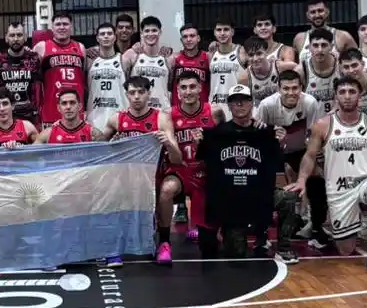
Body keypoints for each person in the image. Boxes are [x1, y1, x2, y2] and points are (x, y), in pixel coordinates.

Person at [287, 76, 367, 269]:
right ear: (335, 97)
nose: (347, 96)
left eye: (352, 92)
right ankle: (348, 224)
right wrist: (302, 180)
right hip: (338, 188)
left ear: (360, 96)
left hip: (365, 181)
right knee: (346, 249)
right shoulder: (323, 124)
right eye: (342, 92)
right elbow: (310, 156)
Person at [198, 85, 296, 261]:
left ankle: (282, 247)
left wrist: (280, 143)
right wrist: (200, 142)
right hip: (233, 200)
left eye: (244, 100)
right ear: (229, 106)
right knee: (236, 255)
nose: (240, 104)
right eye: (235, 101)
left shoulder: (264, 131)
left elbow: (276, 163)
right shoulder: (217, 133)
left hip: (259, 195)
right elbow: (204, 162)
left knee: (287, 198)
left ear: (252, 103)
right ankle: (237, 230)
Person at [104, 76, 182, 264]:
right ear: (126, 95)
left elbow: (177, 159)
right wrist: (112, 145)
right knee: (108, 188)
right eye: (132, 92)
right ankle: (114, 245)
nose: (137, 96)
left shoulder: (161, 118)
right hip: (127, 177)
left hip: (155, 176)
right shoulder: (116, 119)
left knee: (166, 190)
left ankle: (164, 243)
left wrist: (168, 143)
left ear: (149, 93)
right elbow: (98, 148)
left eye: (141, 92)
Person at [255, 69, 326, 243]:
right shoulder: (267, 105)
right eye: (286, 88)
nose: (291, 92)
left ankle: (315, 225)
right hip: (273, 150)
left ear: (301, 88)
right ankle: (261, 226)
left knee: (316, 177)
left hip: (301, 149)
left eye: (295, 88)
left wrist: (309, 161)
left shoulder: (310, 103)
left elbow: (313, 137)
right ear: (278, 89)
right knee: (258, 179)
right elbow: (258, 137)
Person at [160, 71, 216, 262]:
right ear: (177, 91)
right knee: (167, 189)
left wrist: (204, 145)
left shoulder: (214, 112)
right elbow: (172, 155)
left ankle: (210, 229)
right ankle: (164, 242)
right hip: (180, 170)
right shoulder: (169, 115)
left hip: (205, 171)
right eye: (183, 87)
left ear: (200, 88)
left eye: (192, 87)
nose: (188, 91)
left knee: (209, 246)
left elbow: (222, 145)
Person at [35, 12, 86, 126]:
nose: (62, 27)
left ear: (71, 26)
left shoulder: (81, 48)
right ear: (52, 27)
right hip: (51, 112)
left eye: (65, 24)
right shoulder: (41, 47)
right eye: (58, 24)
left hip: (76, 112)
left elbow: (85, 80)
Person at [0, 22, 41, 123]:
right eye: (12, 35)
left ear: (25, 37)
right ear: (6, 38)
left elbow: (40, 87)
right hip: (6, 116)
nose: (16, 39)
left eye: (19, 35)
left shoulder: (34, 59)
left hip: (30, 115)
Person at [86, 22, 126, 134]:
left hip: (119, 117)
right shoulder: (89, 61)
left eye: (109, 33)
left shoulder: (125, 59)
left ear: (115, 37)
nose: (106, 36)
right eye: (102, 34)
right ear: (97, 38)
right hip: (94, 119)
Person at [124, 16, 170, 111]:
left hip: (162, 110)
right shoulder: (132, 55)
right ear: (142, 33)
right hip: (138, 111)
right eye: (147, 31)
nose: (150, 34)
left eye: (154, 30)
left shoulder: (169, 58)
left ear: (160, 32)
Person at [302, 27, 340, 115]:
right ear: (309, 47)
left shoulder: (342, 67)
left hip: (338, 120)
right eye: (315, 45)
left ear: (331, 47)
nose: (319, 50)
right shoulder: (302, 70)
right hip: (312, 121)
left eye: (324, 45)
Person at [170, 23, 211, 104]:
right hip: (178, 108)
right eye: (185, 37)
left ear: (198, 38)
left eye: (192, 36)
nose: (188, 39)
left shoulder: (207, 57)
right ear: (181, 40)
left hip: (202, 107)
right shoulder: (174, 58)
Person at [205, 17, 242, 107]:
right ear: (214, 32)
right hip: (214, 105)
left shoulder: (242, 51)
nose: (222, 33)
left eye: (226, 29)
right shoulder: (211, 53)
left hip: (236, 105)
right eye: (219, 30)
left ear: (232, 32)